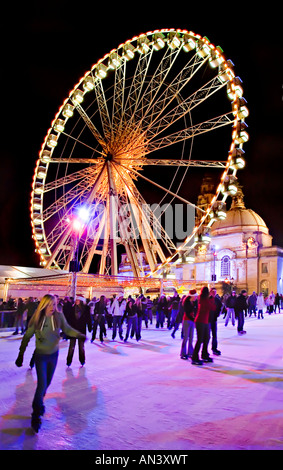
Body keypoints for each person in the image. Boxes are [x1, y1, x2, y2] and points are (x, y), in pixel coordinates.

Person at [15, 294, 86, 433]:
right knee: (41, 385)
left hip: (53, 356)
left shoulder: (59, 317)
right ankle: (36, 415)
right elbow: (27, 336)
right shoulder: (37, 318)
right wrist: (21, 354)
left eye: (54, 304)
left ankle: (39, 404)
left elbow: (67, 329)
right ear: (44, 305)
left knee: (46, 385)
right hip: (41, 356)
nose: (53, 307)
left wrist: (78, 334)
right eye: (50, 304)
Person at [66, 295, 92, 367]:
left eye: (78, 300)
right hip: (73, 330)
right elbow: (69, 319)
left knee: (81, 346)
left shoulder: (86, 309)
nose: (76, 301)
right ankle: (69, 361)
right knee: (72, 347)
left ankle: (82, 360)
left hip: (81, 330)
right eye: (76, 300)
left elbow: (88, 318)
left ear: (81, 301)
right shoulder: (72, 308)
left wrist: (90, 327)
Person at [191, 286, 214, 365]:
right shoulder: (203, 299)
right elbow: (212, 307)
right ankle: (195, 357)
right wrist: (212, 298)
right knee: (200, 339)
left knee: (207, 338)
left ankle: (204, 354)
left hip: (205, 321)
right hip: (200, 321)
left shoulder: (204, 299)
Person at [180, 292, 195, 359]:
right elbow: (187, 312)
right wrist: (193, 319)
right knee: (186, 337)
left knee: (191, 337)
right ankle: (183, 353)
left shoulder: (193, 302)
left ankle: (190, 352)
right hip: (186, 320)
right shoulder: (186, 302)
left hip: (191, 321)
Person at [209, 288, 223, 356]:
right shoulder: (208, 299)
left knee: (214, 335)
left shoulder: (217, 299)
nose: (214, 293)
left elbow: (220, 306)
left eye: (215, 292)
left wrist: (218, 313)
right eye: (213, 292)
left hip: (214, 319)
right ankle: (204, 350)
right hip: (208, 320)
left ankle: (214, 348)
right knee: (207, 336)